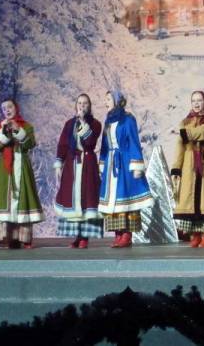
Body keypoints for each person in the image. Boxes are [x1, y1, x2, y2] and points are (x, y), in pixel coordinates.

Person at [0, 99, 44, 248]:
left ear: (16, 108)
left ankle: (23, 238)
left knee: (22, 198)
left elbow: (30, 144)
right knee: (4, 199)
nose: (7, 110)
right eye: (4, 108)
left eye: (10, 107)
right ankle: (5, 238)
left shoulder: (26, 126)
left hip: (21, 165)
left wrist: (17, 130)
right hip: (5, 168)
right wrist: (4, 132)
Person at [98, 90, 153, 248]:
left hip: (124, 161)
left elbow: (134, 142)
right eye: (105, 99)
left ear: (116, 101)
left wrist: (136, 165)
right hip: (111, 163)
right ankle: (118, 233)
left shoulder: (128, 119)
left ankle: (127, 234)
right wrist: (102, 163)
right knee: (113, 200)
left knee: (125, 198)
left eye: (108, 99)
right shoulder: (108, 121)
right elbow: (104, 145)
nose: (105, 102)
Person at [171, 91, 204, 248]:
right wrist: (176, 168)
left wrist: (183, 133)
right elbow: (180, 146)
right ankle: (194, 234)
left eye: (199, 100)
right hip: (189, 163)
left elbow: (201, 133)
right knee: (190, 198)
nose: (196, 103)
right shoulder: (185, 121)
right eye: (193, 100)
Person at [54, 94, 103, 248]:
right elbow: (62, 144)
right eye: (79, 103)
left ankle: (84, 237)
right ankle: (77, 235)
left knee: (86, 199)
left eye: (85, 103)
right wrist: (59, 163)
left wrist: (83, 122)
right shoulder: (69, 124)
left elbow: (90, 142)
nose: (82, 106)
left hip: (87, 165)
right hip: (72, 165)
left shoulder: (95, 124)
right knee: (73, 200)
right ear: (76, 105)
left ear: (89, 106)